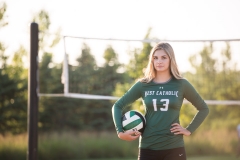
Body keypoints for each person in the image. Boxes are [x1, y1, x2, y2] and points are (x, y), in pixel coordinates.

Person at [112, 42, 209, 160]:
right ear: (151, 60)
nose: (159, 61)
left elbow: (203, 108)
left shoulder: (181, 84)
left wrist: (189, 130)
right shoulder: (143, 85)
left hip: (174, 147)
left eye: (164, 57)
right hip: (148, 147)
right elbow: (117, 106)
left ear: (171, 59)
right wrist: (120, 132)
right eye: (155, 58)